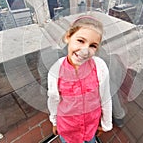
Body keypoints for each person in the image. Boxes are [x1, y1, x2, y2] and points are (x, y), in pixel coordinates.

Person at [47, 15, 113, 143]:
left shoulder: (100, 67)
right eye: (81, 41)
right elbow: (53, 99)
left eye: (93, 46)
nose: (85, 51)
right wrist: (55, 122)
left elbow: (105, 97)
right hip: (67, 128)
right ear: (68, 37)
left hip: (91, 127)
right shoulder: (56, 70)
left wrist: (105, 124)